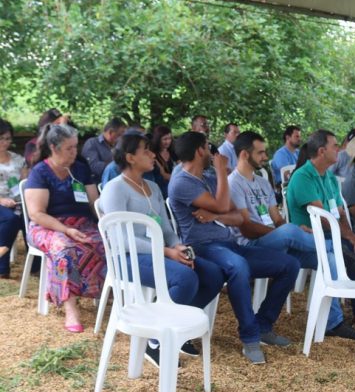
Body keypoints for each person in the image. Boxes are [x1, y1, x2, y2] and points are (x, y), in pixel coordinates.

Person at [168, 131, 299, 364]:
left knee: (290, 265)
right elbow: (222, 205)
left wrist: (216, 214)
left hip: (229, 244)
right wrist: (221, 171)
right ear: (199, 150)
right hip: (203, 247)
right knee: (238, 267)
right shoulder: (182, 182)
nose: (214, 153)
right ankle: (250, 338)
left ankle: (263, 325)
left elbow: (237, 217)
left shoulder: (209, 178)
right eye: (209, 147)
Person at [101, 133, 223, 365]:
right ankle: (155, 340)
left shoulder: (153, 187)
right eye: (146, 150)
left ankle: (173, 325)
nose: (152, 154)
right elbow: (120, 239)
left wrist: (177, 246)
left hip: (159, 253)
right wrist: (166, 252)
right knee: (185, 278)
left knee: (213, 274)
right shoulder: (115, 189)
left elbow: (166, 229)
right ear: (130, 157)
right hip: (127, 258)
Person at [228, 131, 355, 336]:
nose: (266, 156)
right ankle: (337, 247)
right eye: (260, 153)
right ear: (244, 154)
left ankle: (332, 322)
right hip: (249, 245)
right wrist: (287, 231)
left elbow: (278, 220)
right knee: (291, 231)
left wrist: (292, 231)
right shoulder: (233, 183)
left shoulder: (262, 182)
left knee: (328, 259)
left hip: (276, 242)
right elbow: (246, 228)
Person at [287, 129, 355, 329]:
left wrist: (352, 234)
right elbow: (323, 217)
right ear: (322, 151)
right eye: (335, 146)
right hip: (312, 237)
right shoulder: (303, 176)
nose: (339, 150)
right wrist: (351, 237)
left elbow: (340, 213)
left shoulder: (329, 178)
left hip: (333, 233)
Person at [24, 124, 106, 332]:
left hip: (81, 224)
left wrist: (106, 224)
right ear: (54, 147)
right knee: (64, 248)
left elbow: (94, 203)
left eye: (75, 146)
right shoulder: (40, 172)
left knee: (104, 244)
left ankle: (104, 294)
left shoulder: (80, 169)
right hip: (47, 226)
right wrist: (65, 230)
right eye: (69, 148)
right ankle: (71, 307)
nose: (74, 152)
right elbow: (37, 213)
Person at [0, 119, 28, 277]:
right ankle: (2, 268)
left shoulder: (18, 159)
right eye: (1, 138)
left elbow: (26, 183)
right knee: (10, 219)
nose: (5, 142)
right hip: (1, 202)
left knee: (30, 217)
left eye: (7, 138)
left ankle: (35, 265)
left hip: (18, 201)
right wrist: (1, 200)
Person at [81, 117, 127, 182]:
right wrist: (117, 164)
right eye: (119, 135)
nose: (121, 138)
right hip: (97, 183)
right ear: (110, 132)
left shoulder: (119, 145)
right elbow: (94, 167)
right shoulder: (92, 143)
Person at [149, 125, 177, 197]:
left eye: (169, 138)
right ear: (158, 140)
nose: (168, 141)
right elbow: (164, 175)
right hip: (163, 188)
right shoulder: (153, 155)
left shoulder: (173, 152)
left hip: (175, 184)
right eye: (165, 139)